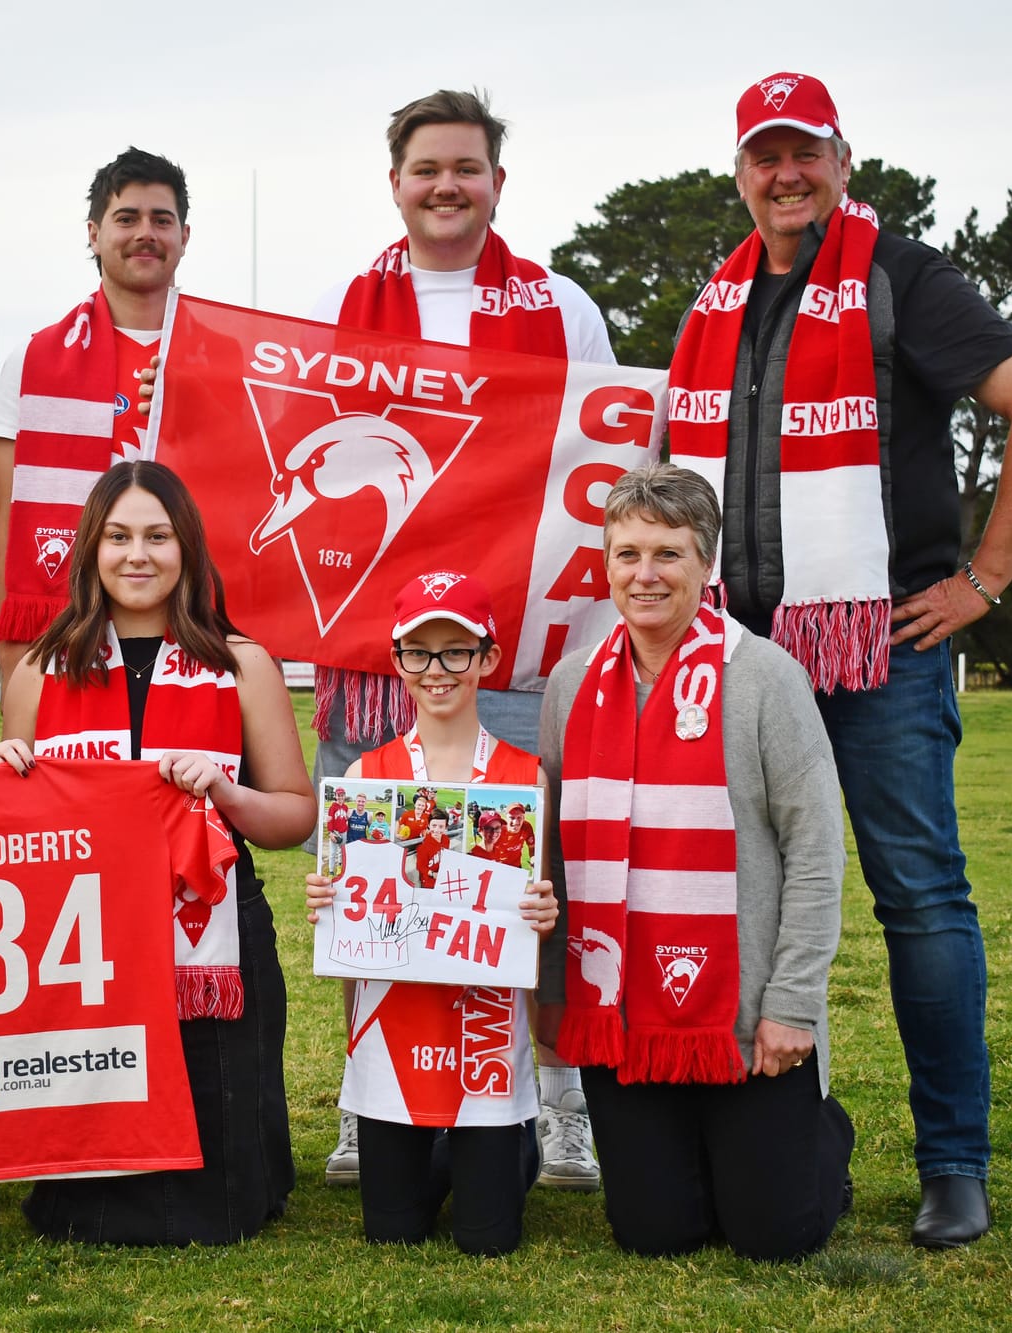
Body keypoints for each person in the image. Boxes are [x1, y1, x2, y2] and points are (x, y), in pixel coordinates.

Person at [667, 72, 1012, 1247]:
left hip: (879, 643)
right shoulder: (717, 302)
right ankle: (752, 1145)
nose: (785, 174)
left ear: (841, 161)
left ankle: (954, 1162)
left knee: (917, 899)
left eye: (806, 153)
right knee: (733, 901)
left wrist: (984, 581)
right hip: (739, 648)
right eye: (765, 155)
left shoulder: (900, 278)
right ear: (740, 170)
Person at [310, 88, 614, 1192]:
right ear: (393, 180)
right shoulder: (338, 303)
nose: (446, 185)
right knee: (371, 874)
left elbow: (608, 463)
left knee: (532, 881)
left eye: (466, 168)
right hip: (377, 658)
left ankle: (553, 1100)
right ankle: (367, 1097)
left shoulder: (561, 304)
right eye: (426, 167)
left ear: (497, 181)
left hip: (522, 647)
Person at [0, 459, 313, 1246]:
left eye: (158, 536)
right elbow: (13, 822)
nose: (139, 554)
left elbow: (295, 814)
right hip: (83, 940)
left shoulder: (243, 663)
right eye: (119, 535)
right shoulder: (38, 667)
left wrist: (227, 797)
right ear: (91, 548)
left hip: (213, 929)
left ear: (187, 547)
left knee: (220, 1152)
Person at [538, 463, 853, 1261]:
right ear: (605, 563)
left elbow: (816, 849)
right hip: (623, 1015)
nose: (645, 574)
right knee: (655, 1234)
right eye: (627, 553)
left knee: (774, 1237)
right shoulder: (572, 684)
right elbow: (551, 850)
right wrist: (549, 993)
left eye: (668, 554)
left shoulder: (767, 677)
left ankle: (823, 1133)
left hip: (744, 1021)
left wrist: (793, 1004)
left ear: (705, 565)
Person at [304, 570, 560, 1255]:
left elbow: (527, 913)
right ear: (397, 661)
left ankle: (514, 1147)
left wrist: (539, 910)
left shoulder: (521, 777)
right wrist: (328, 904)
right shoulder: (367, 778)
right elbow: (348, 930)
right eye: (419, 651)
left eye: (456, 650)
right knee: (394, 1231)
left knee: (488, 1239)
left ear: (488, 658)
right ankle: (425, 1148)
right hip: (394, 1035)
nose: (437, 669)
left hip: (483, 1031)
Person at [0, 148, 192, 693]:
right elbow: (10, 521)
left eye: (161, 220)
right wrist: (13, 656)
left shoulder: (227, 360)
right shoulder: (33, 361)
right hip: (71, 625)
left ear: (184, 237)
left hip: (191, 624)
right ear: (94, 234)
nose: (145, 233)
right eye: (126, 219)